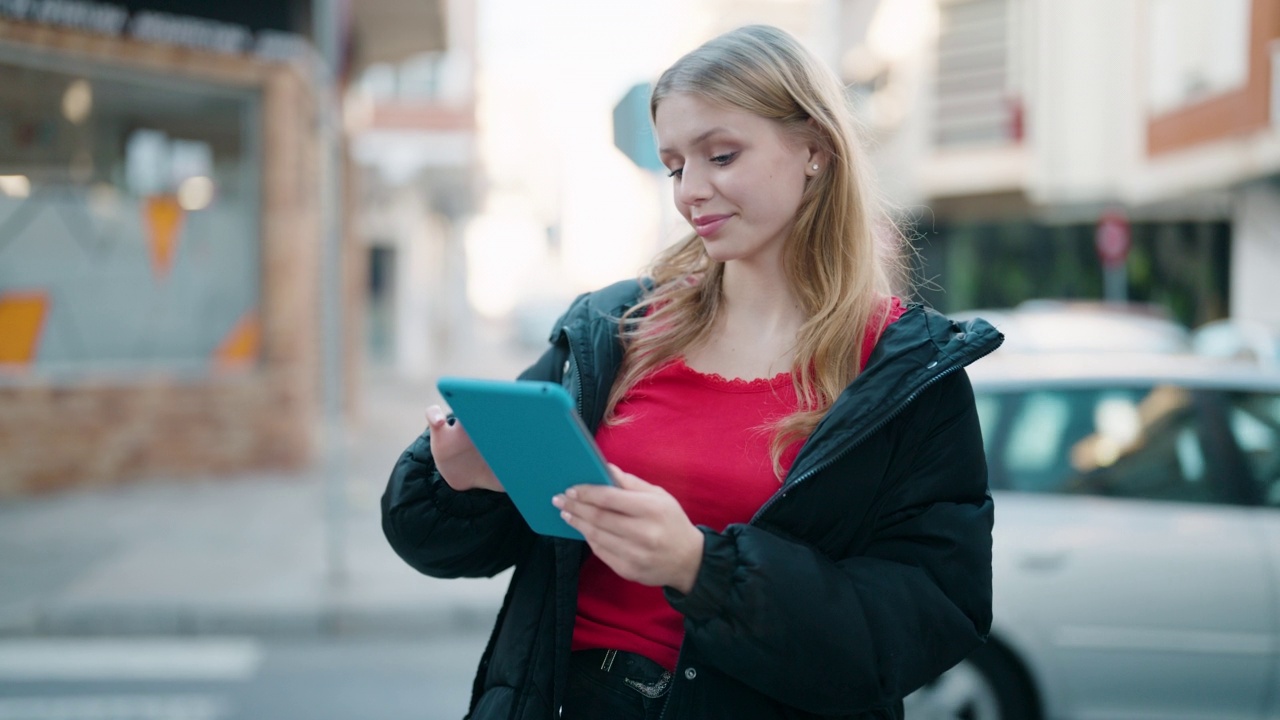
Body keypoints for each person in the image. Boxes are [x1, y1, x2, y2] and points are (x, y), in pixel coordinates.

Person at [382, 24, 1003, 720]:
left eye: (722, 155)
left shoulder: (907, 372)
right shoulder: (616, 330)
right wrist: (459, 480)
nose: (691, 192)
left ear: (815, 150)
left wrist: (700, 568)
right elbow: (434, 545)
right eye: (676, 165)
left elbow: (922, 624)